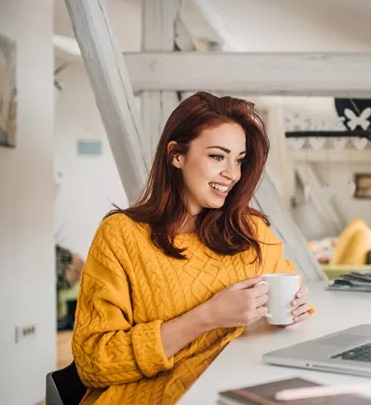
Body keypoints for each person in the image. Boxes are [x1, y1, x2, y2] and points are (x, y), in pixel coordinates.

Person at [71, 92, 313, 404]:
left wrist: (294, 307)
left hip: (236, 387)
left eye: (239, 159)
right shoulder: (122, 235)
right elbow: (93, 362)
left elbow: (289, 293)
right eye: (217, 156)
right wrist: (208, 316)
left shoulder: (251, 230)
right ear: (176, 155)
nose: (232, 174)